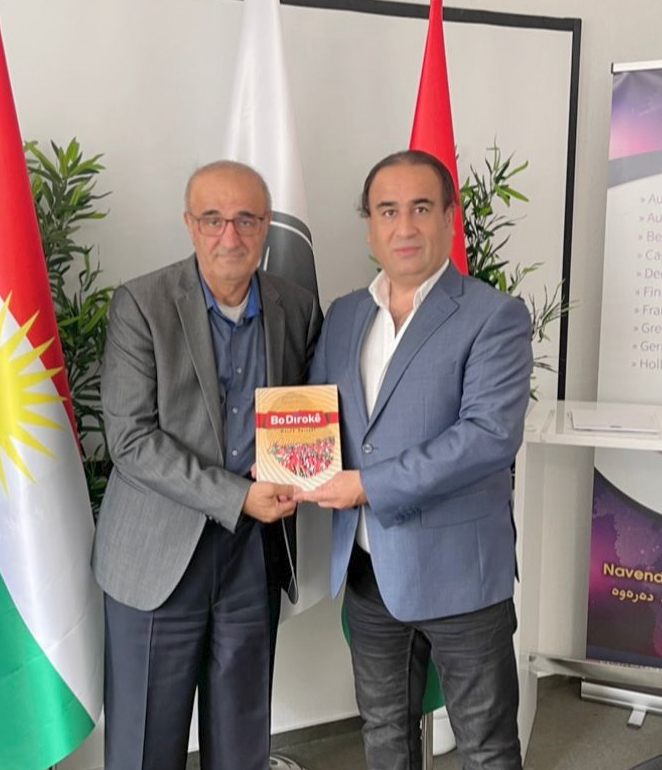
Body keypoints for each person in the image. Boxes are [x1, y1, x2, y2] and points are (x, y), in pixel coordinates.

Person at [298, 149, 533, 769]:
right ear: (370, 227)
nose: (404, 226)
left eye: (421, 208)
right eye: (388, 211)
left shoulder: (494, 316)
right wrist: (283, 467)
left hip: (461, 576)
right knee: (384, 735)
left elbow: (487, 436)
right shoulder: (345, 315)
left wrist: (368, 486)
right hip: (370, 572)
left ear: (449, 219)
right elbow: (317, 416)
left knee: (486, 746)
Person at [94, 160, 323, 770]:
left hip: (253, 551)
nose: (230, 236)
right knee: (145, 747)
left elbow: (309, 416)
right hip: (156, 554)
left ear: (266, 225)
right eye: (213, 219)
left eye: (246, 219)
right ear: (190, 224)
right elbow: (130, 440)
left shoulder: (297, 307)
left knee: (243, 742)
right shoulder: (141, 304)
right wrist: (235, 495)